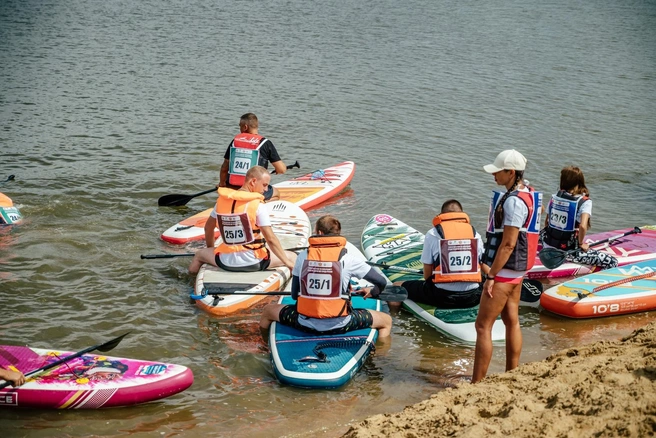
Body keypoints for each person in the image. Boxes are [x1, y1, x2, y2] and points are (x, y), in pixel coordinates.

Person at [260, 215, 393, 339]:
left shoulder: (303, 256)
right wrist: (373, 292)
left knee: (267, 312)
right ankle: (379, 356)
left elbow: (295, 295)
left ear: (320, 233)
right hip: (342, 325)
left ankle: (263, 345)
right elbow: (380, 282)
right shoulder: (349, 260)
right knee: (386, 321)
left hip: (303, 323)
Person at [473, 149, 542, 383]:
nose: (494, 176)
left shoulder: (513, 202)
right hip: (519, 270)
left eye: (498, 172)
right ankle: (512, 374)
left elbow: (509, 243)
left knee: (482, 326)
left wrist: (491, 275)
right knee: (512, 320)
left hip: (504, 271)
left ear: (511, 173)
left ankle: (476, 383)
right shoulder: (527, 193)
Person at [189, 166, 296, 274]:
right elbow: (271, 239)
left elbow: (208, 228)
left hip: (225, 261)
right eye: (264, 185)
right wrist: (287, 262)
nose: (266, 189)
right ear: (253, 181)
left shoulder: (220, 202)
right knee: (292, 257)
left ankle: (191, 284)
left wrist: (212, 251)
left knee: (199, 255)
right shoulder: (258, 205)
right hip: (254, 262)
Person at [391, 199, 485, 311]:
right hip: (473, 297)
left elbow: (427, 274)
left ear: (442, 215)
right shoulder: (475, 235)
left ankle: (395, 316)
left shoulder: (433, 234)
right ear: (462, 215)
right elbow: (482, 265)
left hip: (442, 297)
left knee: (396, 287)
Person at [541, 166, 617, 269]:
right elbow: (583, 226)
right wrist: (581, 243)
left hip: (547, 243)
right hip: (567, 252)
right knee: (612, 262)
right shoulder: (584, 202)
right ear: (579, 182)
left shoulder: (555, 197)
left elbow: (547, 223)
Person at [219, 113, 286, 201]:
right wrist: (278, 170)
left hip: (233, 187)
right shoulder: (265, 143)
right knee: (276, 193)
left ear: (245, 127)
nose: (240, 129)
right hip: (253, 190)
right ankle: (259, 206)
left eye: (240, 126)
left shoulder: (235, 141)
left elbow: (224, 167)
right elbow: (282, 169)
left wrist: (222, 183)